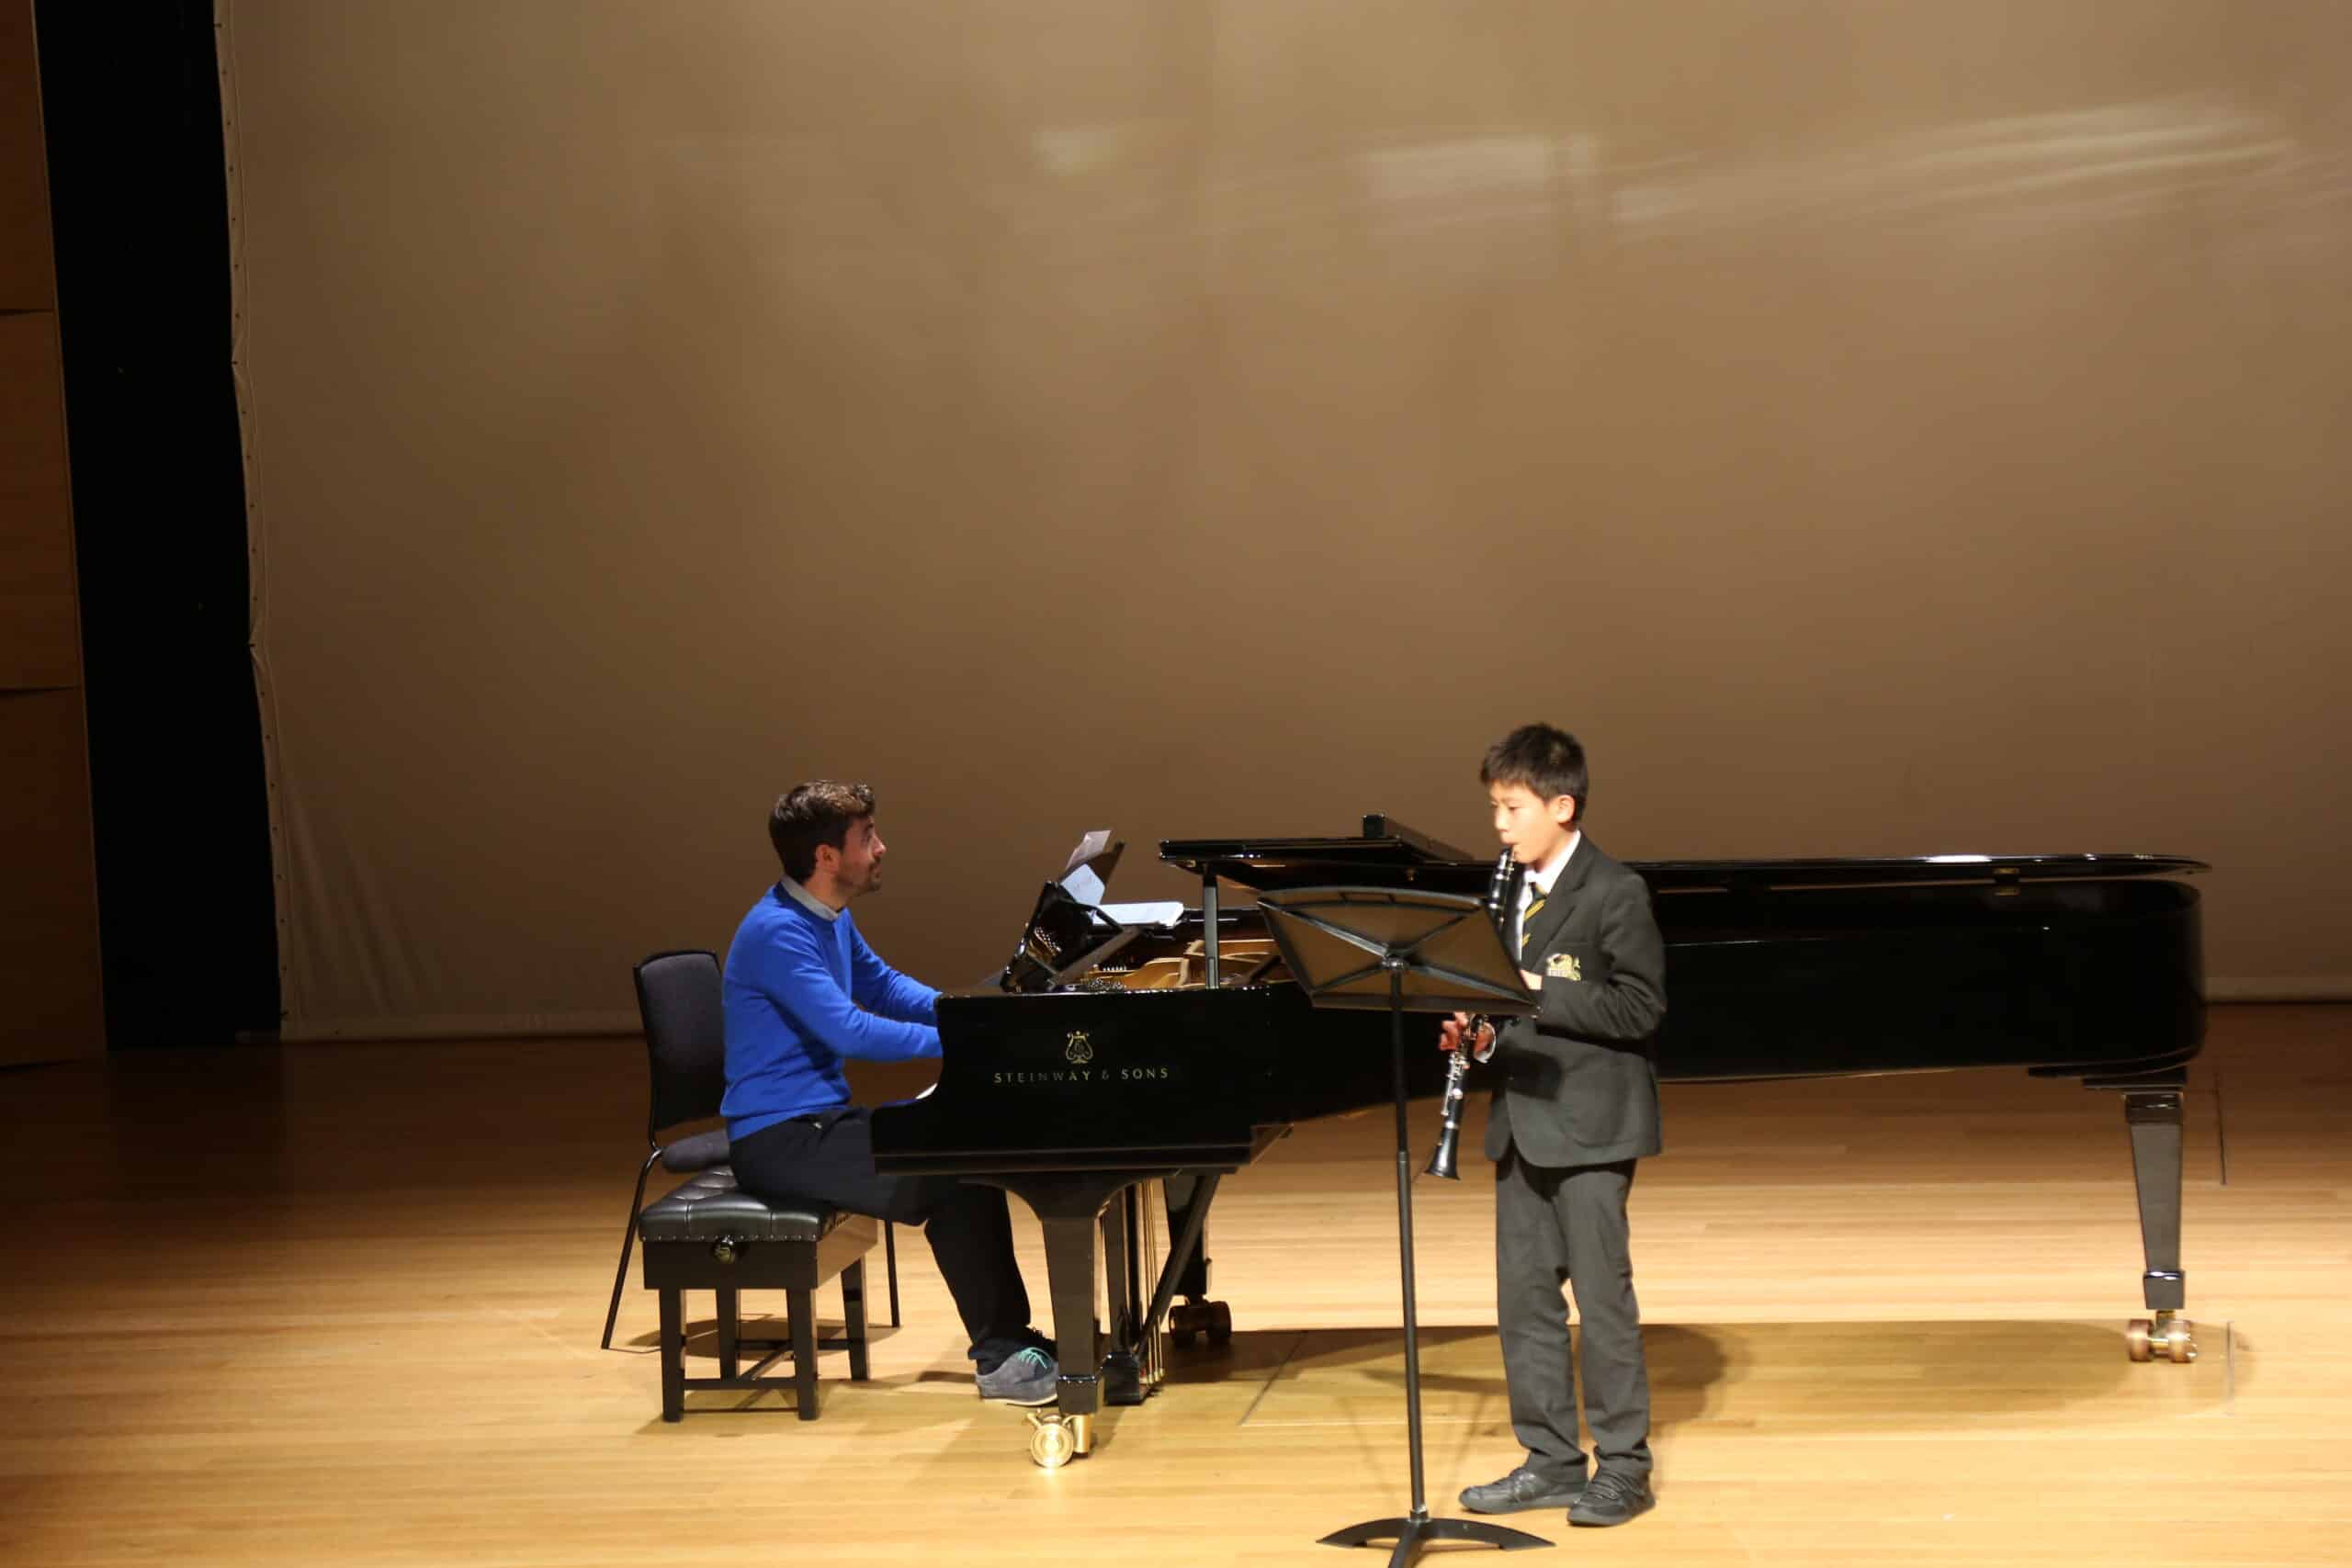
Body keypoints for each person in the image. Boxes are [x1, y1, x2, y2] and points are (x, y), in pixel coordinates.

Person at [720, 779, 1057, 1404]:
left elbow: (885, 987)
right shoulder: (778, 932)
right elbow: (850, 1030)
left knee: (965, 1153)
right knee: (951, 1171)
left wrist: (969, 1017)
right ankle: (1001, 1359)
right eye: (867, 836)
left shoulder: (827, 916)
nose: (881, 847)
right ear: (827, 856)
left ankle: (1011, 1343)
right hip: (779, 1139)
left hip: (817, 1122)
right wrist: (963, 1043)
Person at [1442, 724, 1667, 1528]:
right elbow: (1513, 1013)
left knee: (1602, 1303)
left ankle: (1625, 1465)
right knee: (1526, 1302)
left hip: (1594, 1124)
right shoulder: (1505, 895)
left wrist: (1535, 986)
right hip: (1523, 1120)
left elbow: (1640, 1007)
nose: (1499, 824)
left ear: (1561, 806)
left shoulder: (1614, 890)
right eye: (1495, 808)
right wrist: (1481, 1039)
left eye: (1513, 807)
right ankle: (1552, 1461)